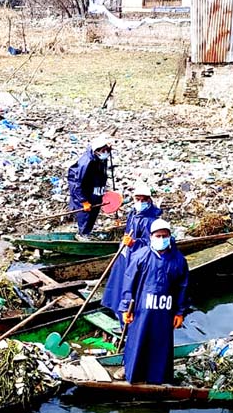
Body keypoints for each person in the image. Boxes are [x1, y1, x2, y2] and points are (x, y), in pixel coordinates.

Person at [116, 218, 189, 384]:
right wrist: (126, 308)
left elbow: (183, 287)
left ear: (170, 236)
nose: (161, 239)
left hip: (165, 311)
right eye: (158, 236)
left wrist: (180, 312)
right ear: (151, 236)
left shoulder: (179, 260)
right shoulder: (140, 256)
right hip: (142, 310)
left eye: (165, 236)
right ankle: (132, 373)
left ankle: (158, 378)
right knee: (137, 341)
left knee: (161, 344)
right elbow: (129, 282)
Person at [101, 182, 163, 324]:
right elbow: (128, 230)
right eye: (137, 199)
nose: (140, 202)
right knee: (118, 284)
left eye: (143, 199)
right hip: (125, 254)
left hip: (136, 259)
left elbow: (151, 244)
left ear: (149, 200)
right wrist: (126, 241)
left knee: (130, 288)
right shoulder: (133, 213)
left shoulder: (151, 221)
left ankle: (127, 322)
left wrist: (134, 243)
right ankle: (117, 313)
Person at [67, 134, 113, 242]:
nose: (106, 152)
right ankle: (82, 234)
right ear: (96, 150)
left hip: (95, 189)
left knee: (94, 211)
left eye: (107, 150)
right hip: (84, 192)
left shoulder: (101, 159)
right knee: (85, 214)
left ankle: (87, 232)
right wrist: (83, 201)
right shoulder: (86, 163)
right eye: (103, 150)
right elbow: (77, 184)